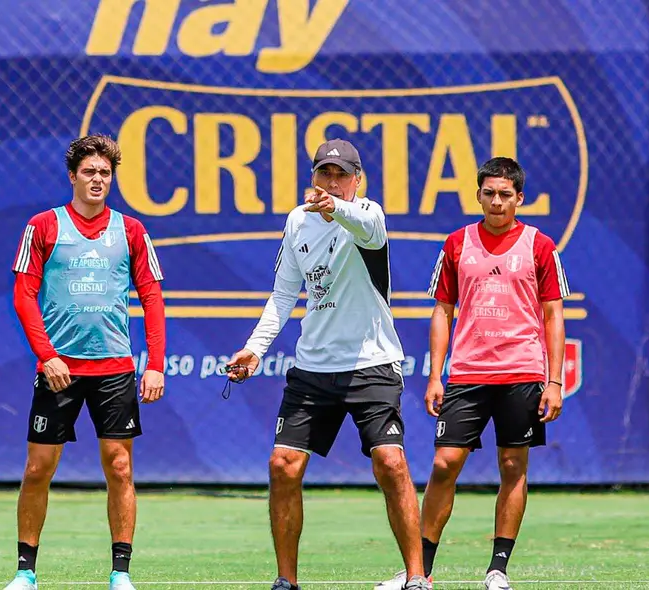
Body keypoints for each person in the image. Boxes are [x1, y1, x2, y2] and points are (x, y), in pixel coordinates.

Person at [226, 139, 431, 590]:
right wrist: (255, 348)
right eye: (325, 174)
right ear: (313, 177)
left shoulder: (369, 216)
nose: (332, 182)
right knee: (283, 465)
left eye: (341, 175)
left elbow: (364, 227)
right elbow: (283, 295)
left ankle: (418, 578)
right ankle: (287, 581)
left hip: (373, 364)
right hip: (314, 369)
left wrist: (333, 207)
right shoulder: (297, 222)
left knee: (391, 462)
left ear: (358, 181)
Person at [376, 157, 569, 590]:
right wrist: (434, 375)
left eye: (505, 195)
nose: (496, 202)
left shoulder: (540, 246)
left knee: (512, 464)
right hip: (467, 372)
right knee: (445, 464)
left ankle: (498, 569)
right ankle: (419, 572)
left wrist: (553, 381)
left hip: (522, 370)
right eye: (489, 193)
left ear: (519, 198)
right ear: (478, 194)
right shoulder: (457, 243)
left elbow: (554, 316)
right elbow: (442, 312)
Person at [5, 135, 167, 590]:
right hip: (58, 371)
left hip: (115, 369)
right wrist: (47, 356)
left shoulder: (131, 230)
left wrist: (155, 363)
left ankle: (120, 574)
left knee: (120, 467)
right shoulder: (43, 226)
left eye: (105, 173)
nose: (98, 180)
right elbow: (23, 297)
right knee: (39, 468)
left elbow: (152, 297)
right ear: (72, 175)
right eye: (89, 172)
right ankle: (25, 572)